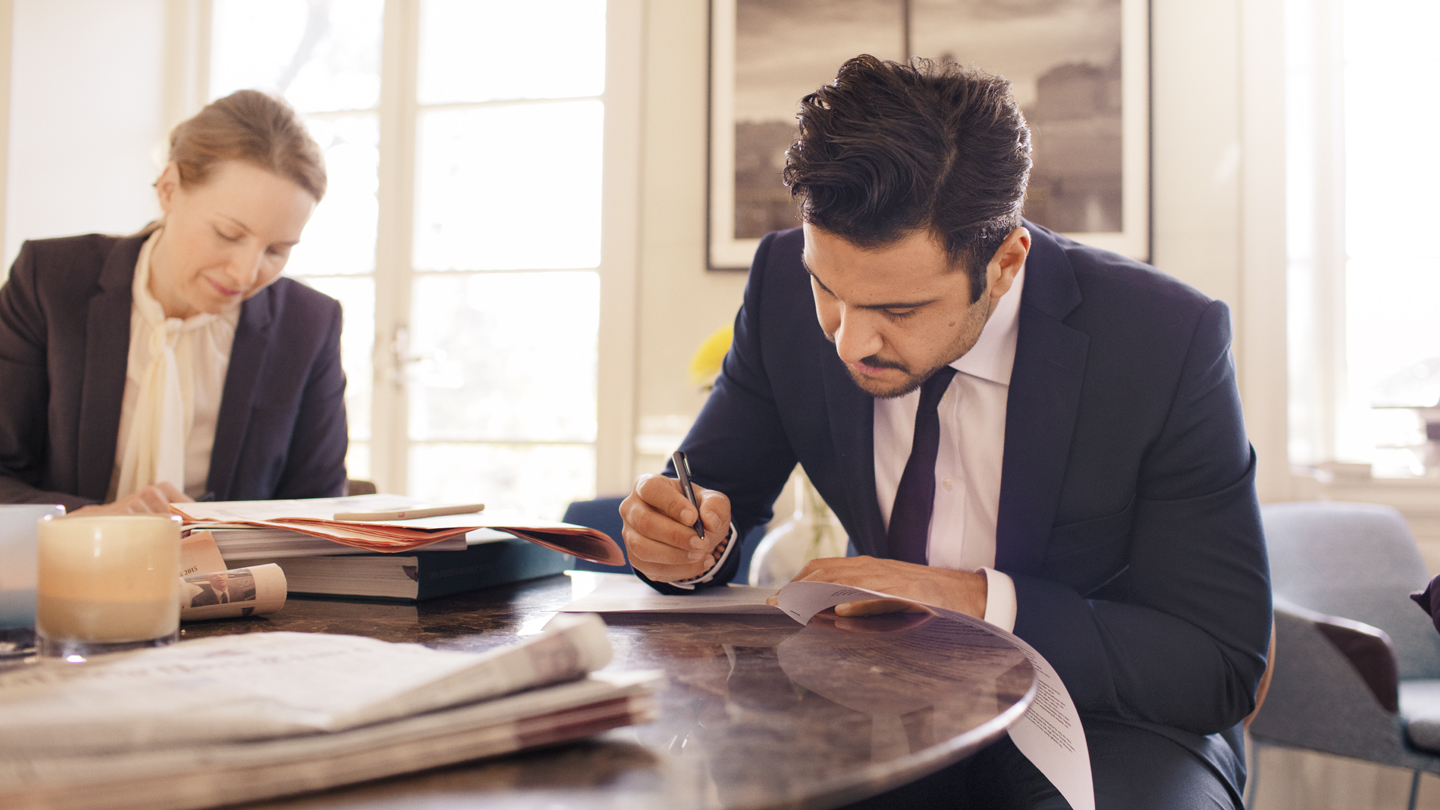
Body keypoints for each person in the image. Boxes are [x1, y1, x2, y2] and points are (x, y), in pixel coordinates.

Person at [620, 56, 1271, 809]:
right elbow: (712, 499)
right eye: (826, 288)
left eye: (899, 312)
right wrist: (680, 543)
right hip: (875, 699)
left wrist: (962, 598)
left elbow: (1215, 663)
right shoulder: (777, 288)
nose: (848, 342)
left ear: (1004, 263)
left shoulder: (1163, 339)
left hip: (1114, 721)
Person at [0, 90, 348, 515]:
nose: (245, 273)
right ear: (168, 189)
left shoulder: (309, 324)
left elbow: (323, 511)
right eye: (228, 234)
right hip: (63, 576)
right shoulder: (49, 283)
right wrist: (88, 522)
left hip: (232, 580)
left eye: (276, 250)